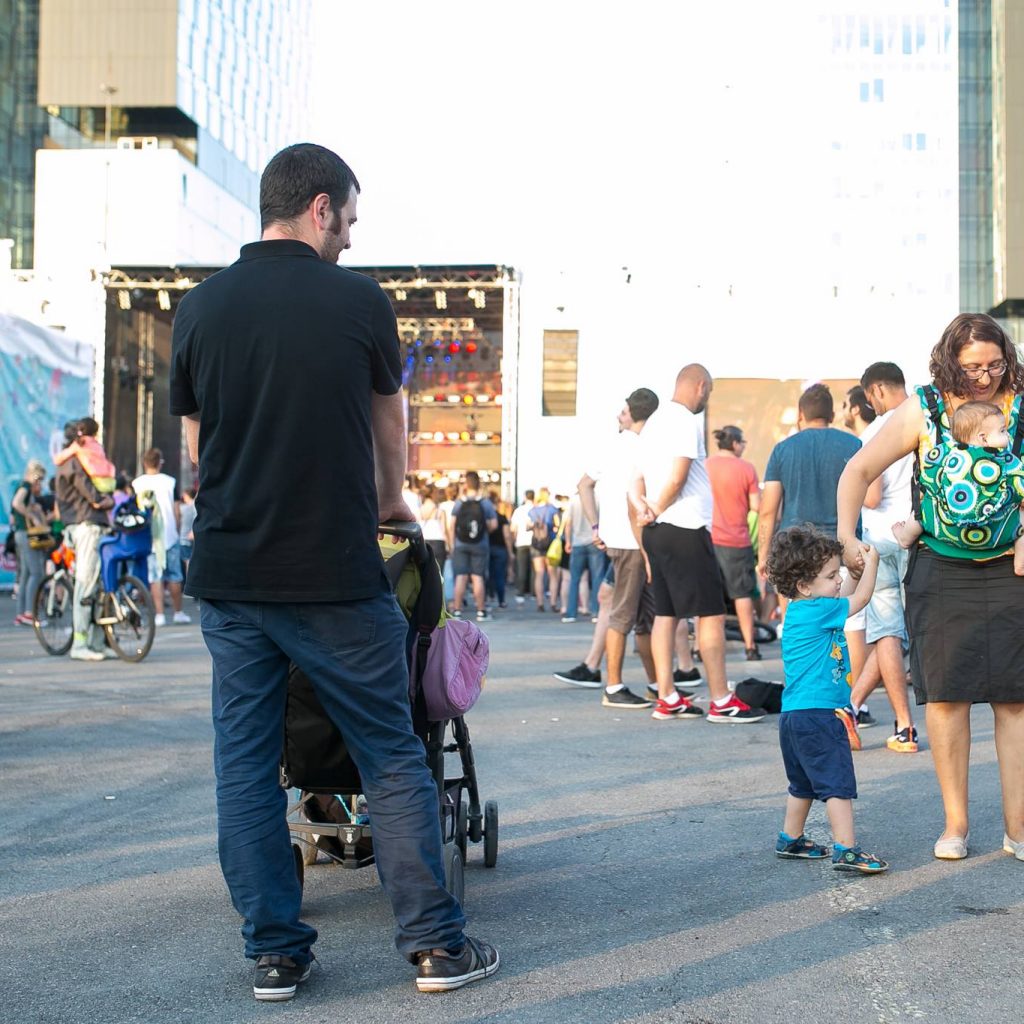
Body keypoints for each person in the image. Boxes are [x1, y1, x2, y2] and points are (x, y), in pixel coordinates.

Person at [169, 143, 497, 999]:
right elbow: (391, 425)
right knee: (389, 752)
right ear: (319, 208)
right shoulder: (358, 302)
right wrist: (392, 504)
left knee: (246, 767)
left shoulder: (200, 308)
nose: (349, 236)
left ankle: (276, 955)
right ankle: (435, 949)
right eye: (347, 219)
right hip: (337, 572)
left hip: (232, 573)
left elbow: (198, 445)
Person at [837, 312, 1024, 863]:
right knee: (945, 698)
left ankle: (1018, 828)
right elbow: (857, 470)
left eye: (994, 365)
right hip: (941, 568)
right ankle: (955, 825)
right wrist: (846, 537)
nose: (984, 378)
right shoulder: (925, 407)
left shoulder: (1020, 404)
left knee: (1015, 700)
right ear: (949, 361)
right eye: (972, 368)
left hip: (1010, 571)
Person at [632, 364, 764, 723]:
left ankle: (667, 696)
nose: (707, 398)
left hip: (659, 532)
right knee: (711, 614)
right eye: (710, 391)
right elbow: (678, 476)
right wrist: (657, 507)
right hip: (686, 528)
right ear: (700, 386)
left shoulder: (654, 423)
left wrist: (646, 511)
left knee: (666, 614)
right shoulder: (683, 420)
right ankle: (721, 700)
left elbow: (635, 479)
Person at [765, 525, 887, 874]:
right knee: (837, 783)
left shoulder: (803, 608)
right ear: (805, 585)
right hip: (819, 714)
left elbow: (842, 594)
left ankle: (790, 838)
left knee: (802, 784)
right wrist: (872, 564)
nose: (838, 580)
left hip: (795, 715)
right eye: (831, 576)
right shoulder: (817, 610)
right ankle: (846, 849)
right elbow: (860, 600)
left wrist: (852, 574)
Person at [557, 388, 661, 707]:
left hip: (618, 538)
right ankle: (614, 687)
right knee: (625, 616)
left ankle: (657, 685)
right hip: (636, 540)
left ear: (631, 412)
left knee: (640, 616)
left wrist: (596, 526)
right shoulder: (648, 447)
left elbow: (584, 485)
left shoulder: (612, 445)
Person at [837, 362, 918, 755]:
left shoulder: (876, 431)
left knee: (887, 632)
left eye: (871, 397)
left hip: (882, 539)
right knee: (901, 632)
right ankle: (851, 706)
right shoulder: (926, 418)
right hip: (919, 535)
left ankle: (903, 725)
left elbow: (871, 495)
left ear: (878, 390)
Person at [891, 401, 1024, 571]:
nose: (1007, 435)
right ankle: (1020, 563)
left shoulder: (947, 453)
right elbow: (1020, 485)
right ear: (983, 438)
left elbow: (928, 479)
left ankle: (905, 538)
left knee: (923, 509)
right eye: (1003, 431)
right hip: (997, 532)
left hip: (946, 529)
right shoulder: (1006, 460)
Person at [54, 421, 116, 660]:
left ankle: (97, 642)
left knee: (98, 584)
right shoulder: (74, 461)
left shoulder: (75, 459)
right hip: (86, 524)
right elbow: (92, 494)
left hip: (91, 523)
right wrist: (104, 501)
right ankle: (80, 644)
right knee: (87, 582)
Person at [705, 425, 762, 660]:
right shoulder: (746, 468)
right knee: (742, 594)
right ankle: (750, 646)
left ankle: (702, 647)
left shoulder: (706, 465)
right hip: (737, 540)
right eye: (743, 443)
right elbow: (756, 506)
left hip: (708, 539)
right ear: (735, 444)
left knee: (709, 597)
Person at [133, 448, 190, 626]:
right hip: (170, 533)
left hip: (149, 536)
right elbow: (176, 509)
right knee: (174, 575)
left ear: (144, 463)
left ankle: (159, 614)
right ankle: (178, 612)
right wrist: (177, 527)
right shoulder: (170, 482)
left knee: (155, 577)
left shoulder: (137, 484)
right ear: (160, 463)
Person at [448, 471, 497, 621]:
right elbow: (494, 525)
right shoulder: (485, 503)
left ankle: (457, 611)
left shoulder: (459, 503)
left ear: (466, 485)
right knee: (478, 577)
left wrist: (452, 544)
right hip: (480, 544)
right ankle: (481, 612)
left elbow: (451, 525)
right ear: (478, 484)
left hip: (460, 544)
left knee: (461, 577)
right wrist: (483, 529)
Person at [10, 459, 48, 625]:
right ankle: (29, 612)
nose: (39, 483)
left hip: (20, 533)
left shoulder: (20, 486)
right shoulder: (25, 486)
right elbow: (16, 503)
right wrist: (31, 516)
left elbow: (13, 514)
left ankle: (21, 613)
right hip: (27, 534)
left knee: (25, 574)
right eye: (39, 479)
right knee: (36, 572)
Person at [561, 488, 606, 623]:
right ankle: (596, 612)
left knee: (574, 579)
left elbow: (568, 523)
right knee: (597, 578)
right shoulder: (598, 498)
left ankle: (571, 613)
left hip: (577, 542)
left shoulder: (573, 501)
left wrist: (568, 541)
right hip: (595, 541)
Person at [528, 488, 560, 612]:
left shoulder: (532, 511)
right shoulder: (552, 509)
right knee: (552, 575)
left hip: (537, 544)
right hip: (550, 544)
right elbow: (558, 525)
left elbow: (528, 526)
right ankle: (553, 603)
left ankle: (540, 603)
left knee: (539, 573)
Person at [485, 491, 513, 609]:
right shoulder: (502, 518)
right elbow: (507, 536)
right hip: (500, 549)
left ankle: (488, 598)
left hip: (486, 548)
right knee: (500, 575)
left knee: (487, 574)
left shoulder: (484, 518)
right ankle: (501, 601)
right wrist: (510, 551)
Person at [509, 489, 535, 603]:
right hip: (535, 542)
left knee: (521, 568)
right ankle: (533, 592)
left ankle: (521, 591)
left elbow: (513, 528)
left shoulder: (519, 510)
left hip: (521, 541)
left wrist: (513, 540)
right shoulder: (535, 509)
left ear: (525, 497)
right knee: (534, 569)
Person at [417, 484, 449, 577]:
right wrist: (449, 547)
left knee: (424, 575)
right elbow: (444, 531)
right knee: (439, 575)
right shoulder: (440, 511)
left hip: (423, 542)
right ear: (433, 494)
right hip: (438, 543)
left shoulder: (419, 511)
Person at [179, 487, 197, 577]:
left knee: (188, 561)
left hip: (185, 538)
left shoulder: (189, 507)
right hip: (189, 537)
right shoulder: (194, 506)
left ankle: (188, 579)